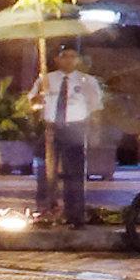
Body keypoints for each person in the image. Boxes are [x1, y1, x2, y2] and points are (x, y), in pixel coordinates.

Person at [28, 51, 110, 225]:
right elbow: (33, 104)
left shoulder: (87, 81)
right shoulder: (46, 79)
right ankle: (45, 211)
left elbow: (96, 108)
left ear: (78, 59)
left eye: (72, 56)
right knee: (45, 173)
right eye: (64, 56)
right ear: (56, 59)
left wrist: (95, 133)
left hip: (75, 128)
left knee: (75, 174)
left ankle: (75, 215)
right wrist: (39, 98)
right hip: (51, 128)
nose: (68, 60)